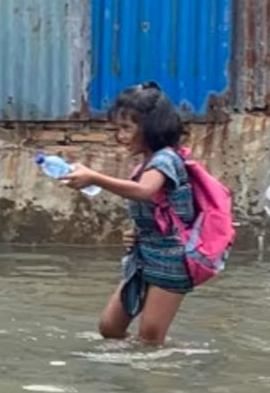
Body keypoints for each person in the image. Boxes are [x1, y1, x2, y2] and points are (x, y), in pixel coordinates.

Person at [62, 82, 193, 346]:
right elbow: (155, 205)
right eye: (118, 128)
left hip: (171, 261)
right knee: (109, 328)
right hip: (144, 257)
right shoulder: (146, 162)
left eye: (126, 128)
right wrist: (137, 231)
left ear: (151, 127)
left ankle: (157, 381)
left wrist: (94, 177)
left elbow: (145, 191)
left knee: (150, 339)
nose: (120, 136)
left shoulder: (165, 159)